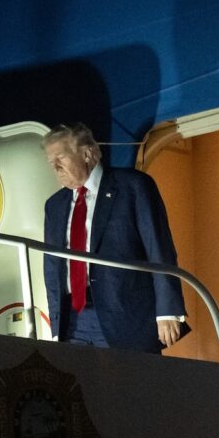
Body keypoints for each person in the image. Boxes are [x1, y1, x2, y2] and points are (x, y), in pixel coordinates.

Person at [42, 122, 187, 353]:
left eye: (61, 157)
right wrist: (57, 325)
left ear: (87, 153)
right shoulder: (54, 205)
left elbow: (158, 248)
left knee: (130, 378)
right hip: (73, 322)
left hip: (125, 317)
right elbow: (51, 268)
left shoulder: (133, 186)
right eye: (51, 162)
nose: (55, 167)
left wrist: (167, 311)